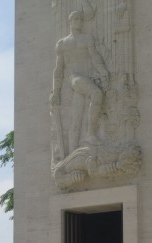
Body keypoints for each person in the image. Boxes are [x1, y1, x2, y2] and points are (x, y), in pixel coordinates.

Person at [50, 10, 109, 155]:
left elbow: (94, 56)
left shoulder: (87, 38)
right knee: (96, 93)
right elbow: (58, 70)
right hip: (75, 78)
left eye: (80, 19)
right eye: (75, 18)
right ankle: (90, 134)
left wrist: (103, 71)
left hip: (89, 77)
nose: (78, 21)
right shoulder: (63, 43)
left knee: (76, 117)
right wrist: (55, 92)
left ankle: (71, 153)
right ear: (70, 21)